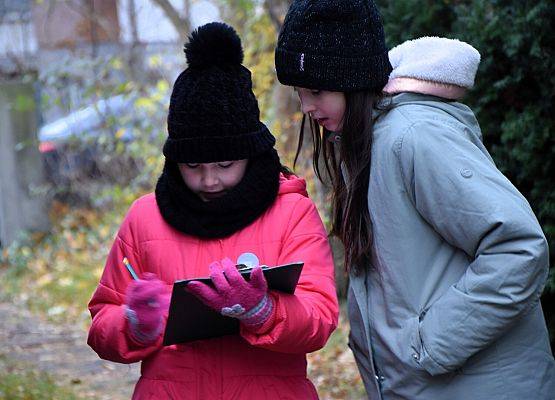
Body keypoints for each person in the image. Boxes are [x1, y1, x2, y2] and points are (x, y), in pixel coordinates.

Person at [274, 1, 555, 399]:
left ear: (353, 79)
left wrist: (427, 345)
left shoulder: (414, 137)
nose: (305, 106)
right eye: (300, 92)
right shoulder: (364, 146)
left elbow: (518, 248)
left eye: (316, 90)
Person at [87, 22, 338, 399]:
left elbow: (320, 317)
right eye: (193, 167)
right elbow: (102, 321)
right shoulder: (144, 218)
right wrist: (134, 324)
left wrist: (262, 310)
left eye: (224, 166)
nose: (209, 181)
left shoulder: (293, 213)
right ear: (174, 162)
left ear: (252, 155)